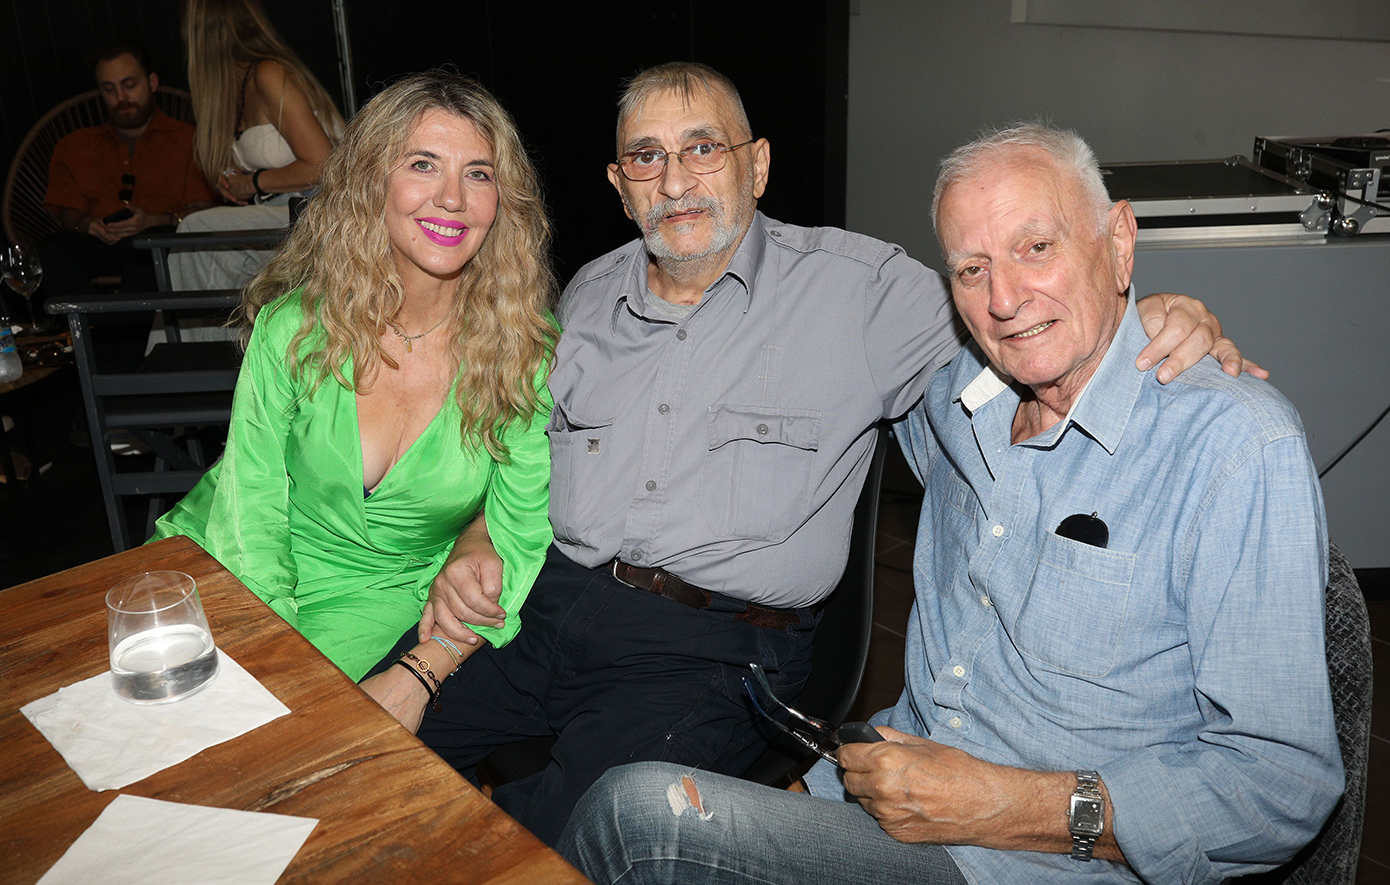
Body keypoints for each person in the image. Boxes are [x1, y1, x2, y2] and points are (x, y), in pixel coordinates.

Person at [366, 63, 1254, 846]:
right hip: (542, 602)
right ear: (619, 185)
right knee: (355, 750)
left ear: (756, 165)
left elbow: (1022, 312)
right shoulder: (588, 293)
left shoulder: (864, 291)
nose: (674, 180)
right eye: (646, 157)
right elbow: (524, 461)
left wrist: (1156, 313)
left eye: (703, 148)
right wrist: (479, 536)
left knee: (547, 844)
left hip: (705, 650)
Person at [557, 123, 1342, 885]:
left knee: (635, 817)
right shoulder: (958, 398)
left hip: (1045, 862)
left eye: (1037, 248)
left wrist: (1007, 804)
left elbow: (1283, 786)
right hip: (874, 811)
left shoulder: (1235, 446)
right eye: (971, 269)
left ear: (1119, 242)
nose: (1006, 298)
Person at [151, 71, 555, 685]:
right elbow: (251, 511)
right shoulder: (295, 328)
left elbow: (523, 524)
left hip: (382, 596)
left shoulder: (524, 352)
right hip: (233, 560)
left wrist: (442, 641)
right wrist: (270, 650)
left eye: (479, 173)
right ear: (371, 180)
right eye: (423, 164)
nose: (452, 197)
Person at [168, 0, 344, 292]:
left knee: (195, 230)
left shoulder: (268, 74)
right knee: (223, 257)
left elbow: (324, 164)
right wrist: (231, 180)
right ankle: (228, 321)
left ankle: (194, 322)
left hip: (320, 209)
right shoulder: (229, 89)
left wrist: (251, 183)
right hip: (281, 213)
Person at [37, 42, 215, 316]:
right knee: (46, 253)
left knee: (153, 250)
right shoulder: (76, 145)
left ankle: (127, 337)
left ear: (152, 82)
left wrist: (154, 221)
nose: (121, 97)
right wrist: (86, 223)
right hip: (100, 242)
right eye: (109, 89)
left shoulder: (189, 139)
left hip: (160, 239)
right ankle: (91, 330)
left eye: (129, 85)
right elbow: (67, 210)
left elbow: (206, 210)